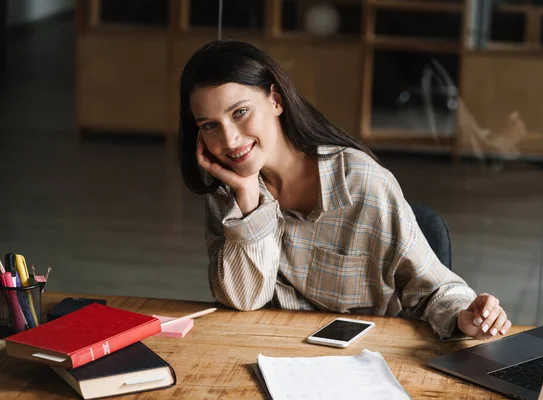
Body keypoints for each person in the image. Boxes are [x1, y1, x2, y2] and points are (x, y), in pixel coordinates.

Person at [178, 40, 511, 341]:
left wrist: (465, 316)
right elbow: (244, 300)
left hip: (364, 363)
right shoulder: (228, 193)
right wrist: (249, 199)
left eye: (240, 113)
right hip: (271, 354)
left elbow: (434, 287)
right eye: (209, 125)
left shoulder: (359, 180)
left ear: (275, 100)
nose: (229, 139)